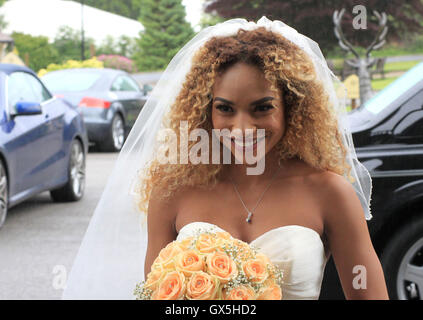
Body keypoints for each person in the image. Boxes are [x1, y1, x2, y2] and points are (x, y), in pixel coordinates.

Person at [63, 16, 388, 300]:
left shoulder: (330, 193)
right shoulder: (172, 191)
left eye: (262, 108)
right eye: (225, 109)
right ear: (206, 109)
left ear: (292, 106)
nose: (242, 128)